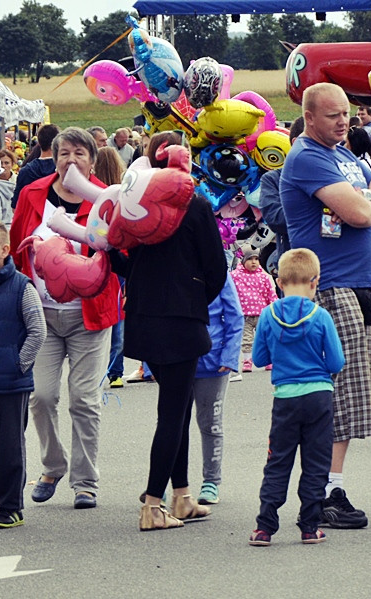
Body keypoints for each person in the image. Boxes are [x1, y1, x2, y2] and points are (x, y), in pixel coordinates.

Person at [279, 82, 371, 529]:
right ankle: (324, 492)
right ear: (309, 117)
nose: (343, 122)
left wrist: (361, 195)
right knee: (340, 393)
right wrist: (367, 199)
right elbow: (364, 214)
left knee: (346, 392)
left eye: (346, 114)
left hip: (355, 285)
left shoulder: (346, 156)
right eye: (332, 115)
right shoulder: (308, 157)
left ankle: (327, 488)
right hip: (329, 286)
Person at [107, 130, 228, 530]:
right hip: (181, 319)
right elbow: (216, 268)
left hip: (144, 316)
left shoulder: (135, 204)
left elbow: (124, 263)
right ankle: (153, 505)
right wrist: (194, 298)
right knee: (173, 414)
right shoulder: (194, 205)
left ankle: (182, 496)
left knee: (177, 406)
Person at [10, 127, 122, 511]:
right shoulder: (32, 193)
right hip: (40, 316)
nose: (71, 160)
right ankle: (53, 466)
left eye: (79, 153)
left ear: (92, 160)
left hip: (89, 316)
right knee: (41, 396)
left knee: (84, 400)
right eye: (64, 153)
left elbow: (120, 253)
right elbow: (15, 249)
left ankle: (85, 482)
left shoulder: (107, 199)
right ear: (54, 158)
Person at [248, 248, 344, 546]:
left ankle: (265, 526)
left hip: (285, 398)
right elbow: (336, 363)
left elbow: (259, 358)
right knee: (316, 462)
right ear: (315, 281)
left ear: (279, 281)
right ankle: (309, 526)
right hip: (319, 396)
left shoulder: (268, 315)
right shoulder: (321, 316)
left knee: (278, 460)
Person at [0, 219, 46, 529]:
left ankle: (10, 508)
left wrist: (19, 366)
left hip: (11, 386)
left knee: (11, 449)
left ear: (4, 250)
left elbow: (37, 331)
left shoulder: (21, 287)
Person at [193, 272, 244, 506]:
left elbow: (235, 316)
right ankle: (164, 482)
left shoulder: (217, 271)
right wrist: (149, 364)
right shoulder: (169, 264)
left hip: (213, 362)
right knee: (171, 424)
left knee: (211, 424)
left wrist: (230, 356)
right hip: (174, 359)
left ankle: (211, 481)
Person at [92, 147, 128, 388]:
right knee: (118, 315)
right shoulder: (124, 193)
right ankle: (116, 370)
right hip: (120, 259)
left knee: (97, 313)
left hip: (96, 258)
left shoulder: (91, 193)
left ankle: (97, 368)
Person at [259, 117, 305, 256]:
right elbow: (276, 219)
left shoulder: (332, 175)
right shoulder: (273, 179)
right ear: (297, 142)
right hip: (294, 262)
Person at [231, 247, 279, 373]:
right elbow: (231, 293)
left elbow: (270, 293)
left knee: (265, 337)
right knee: (247, 339)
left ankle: (268, 359)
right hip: (244, 315)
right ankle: (247, 360)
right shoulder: (235, 276)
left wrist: (275, 307)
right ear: (243, 260)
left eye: (256, 259)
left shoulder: (263, 276)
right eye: (250, 259)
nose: (254, 262)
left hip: (262, 314)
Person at [12, 124, 59, 209]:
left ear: (39, 142)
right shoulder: (63, 170)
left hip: (33, 215)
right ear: (58, 142)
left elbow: (15, 208)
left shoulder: (25, 171)